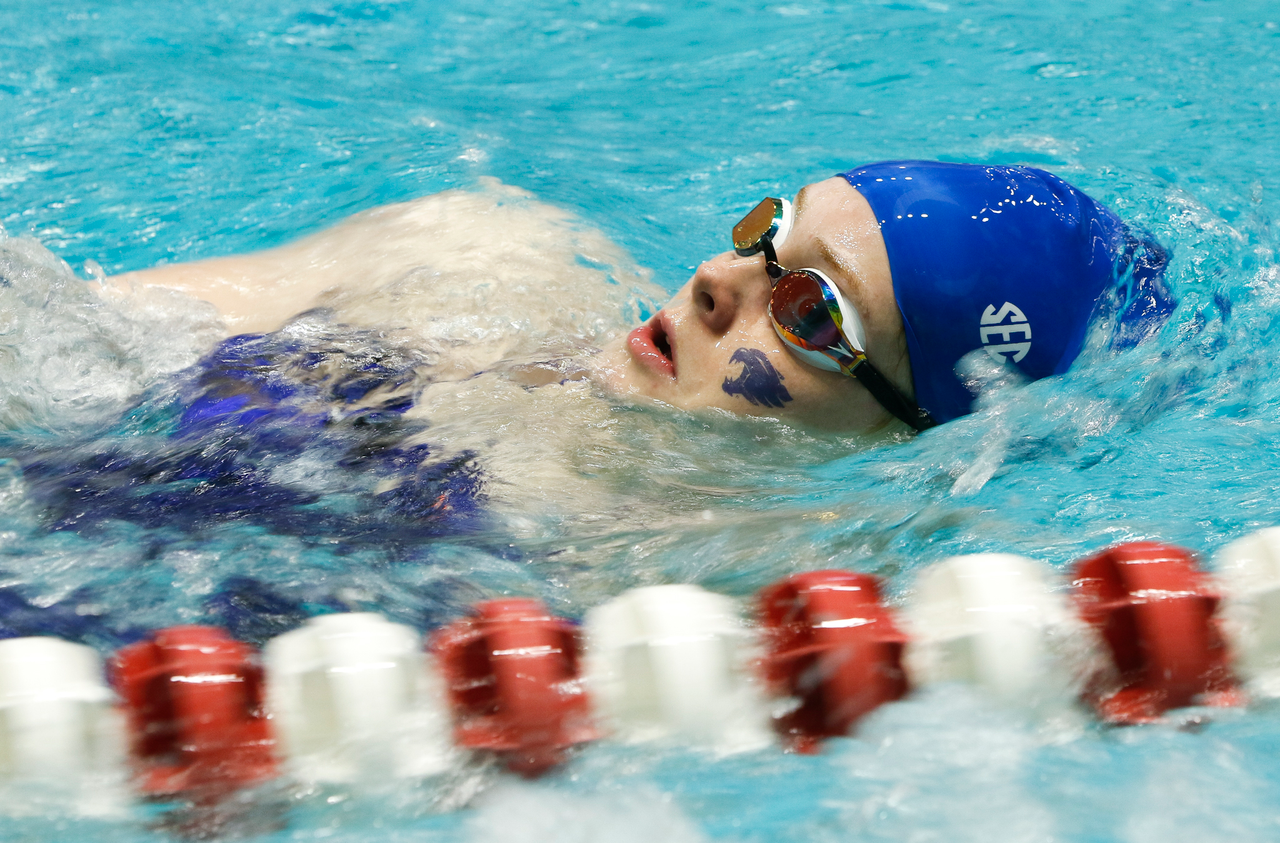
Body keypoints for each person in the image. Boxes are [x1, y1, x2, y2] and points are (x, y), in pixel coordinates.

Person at [114, 161, 1173, 438]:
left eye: (807, 315)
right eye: (767, 240)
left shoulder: (729, 611)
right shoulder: (461, 255)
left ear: (910, 437)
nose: (717, 284)